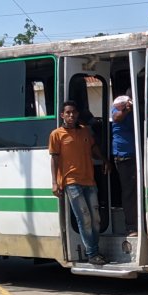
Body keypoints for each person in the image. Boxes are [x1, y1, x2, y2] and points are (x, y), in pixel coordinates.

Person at [49, 101, 111, 265]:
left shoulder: (84, 131)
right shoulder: (56, 134)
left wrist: (104, 160)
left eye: (74, 112)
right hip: (71, 182)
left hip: (89, 180)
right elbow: (54, 159)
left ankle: (94, 250)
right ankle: (92, 253)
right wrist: (55, 183)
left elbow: (93, 149)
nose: (71, 115)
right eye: (67, 113)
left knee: (96, 218)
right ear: (62, 115)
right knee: (84, 218)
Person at [111, 92, 138, 236]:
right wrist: (127, 109)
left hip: (136, 156)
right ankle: (131, 226)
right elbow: (116, 117)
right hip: (124, 157)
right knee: (129, 192)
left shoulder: (135, 111)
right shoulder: (117, 110)